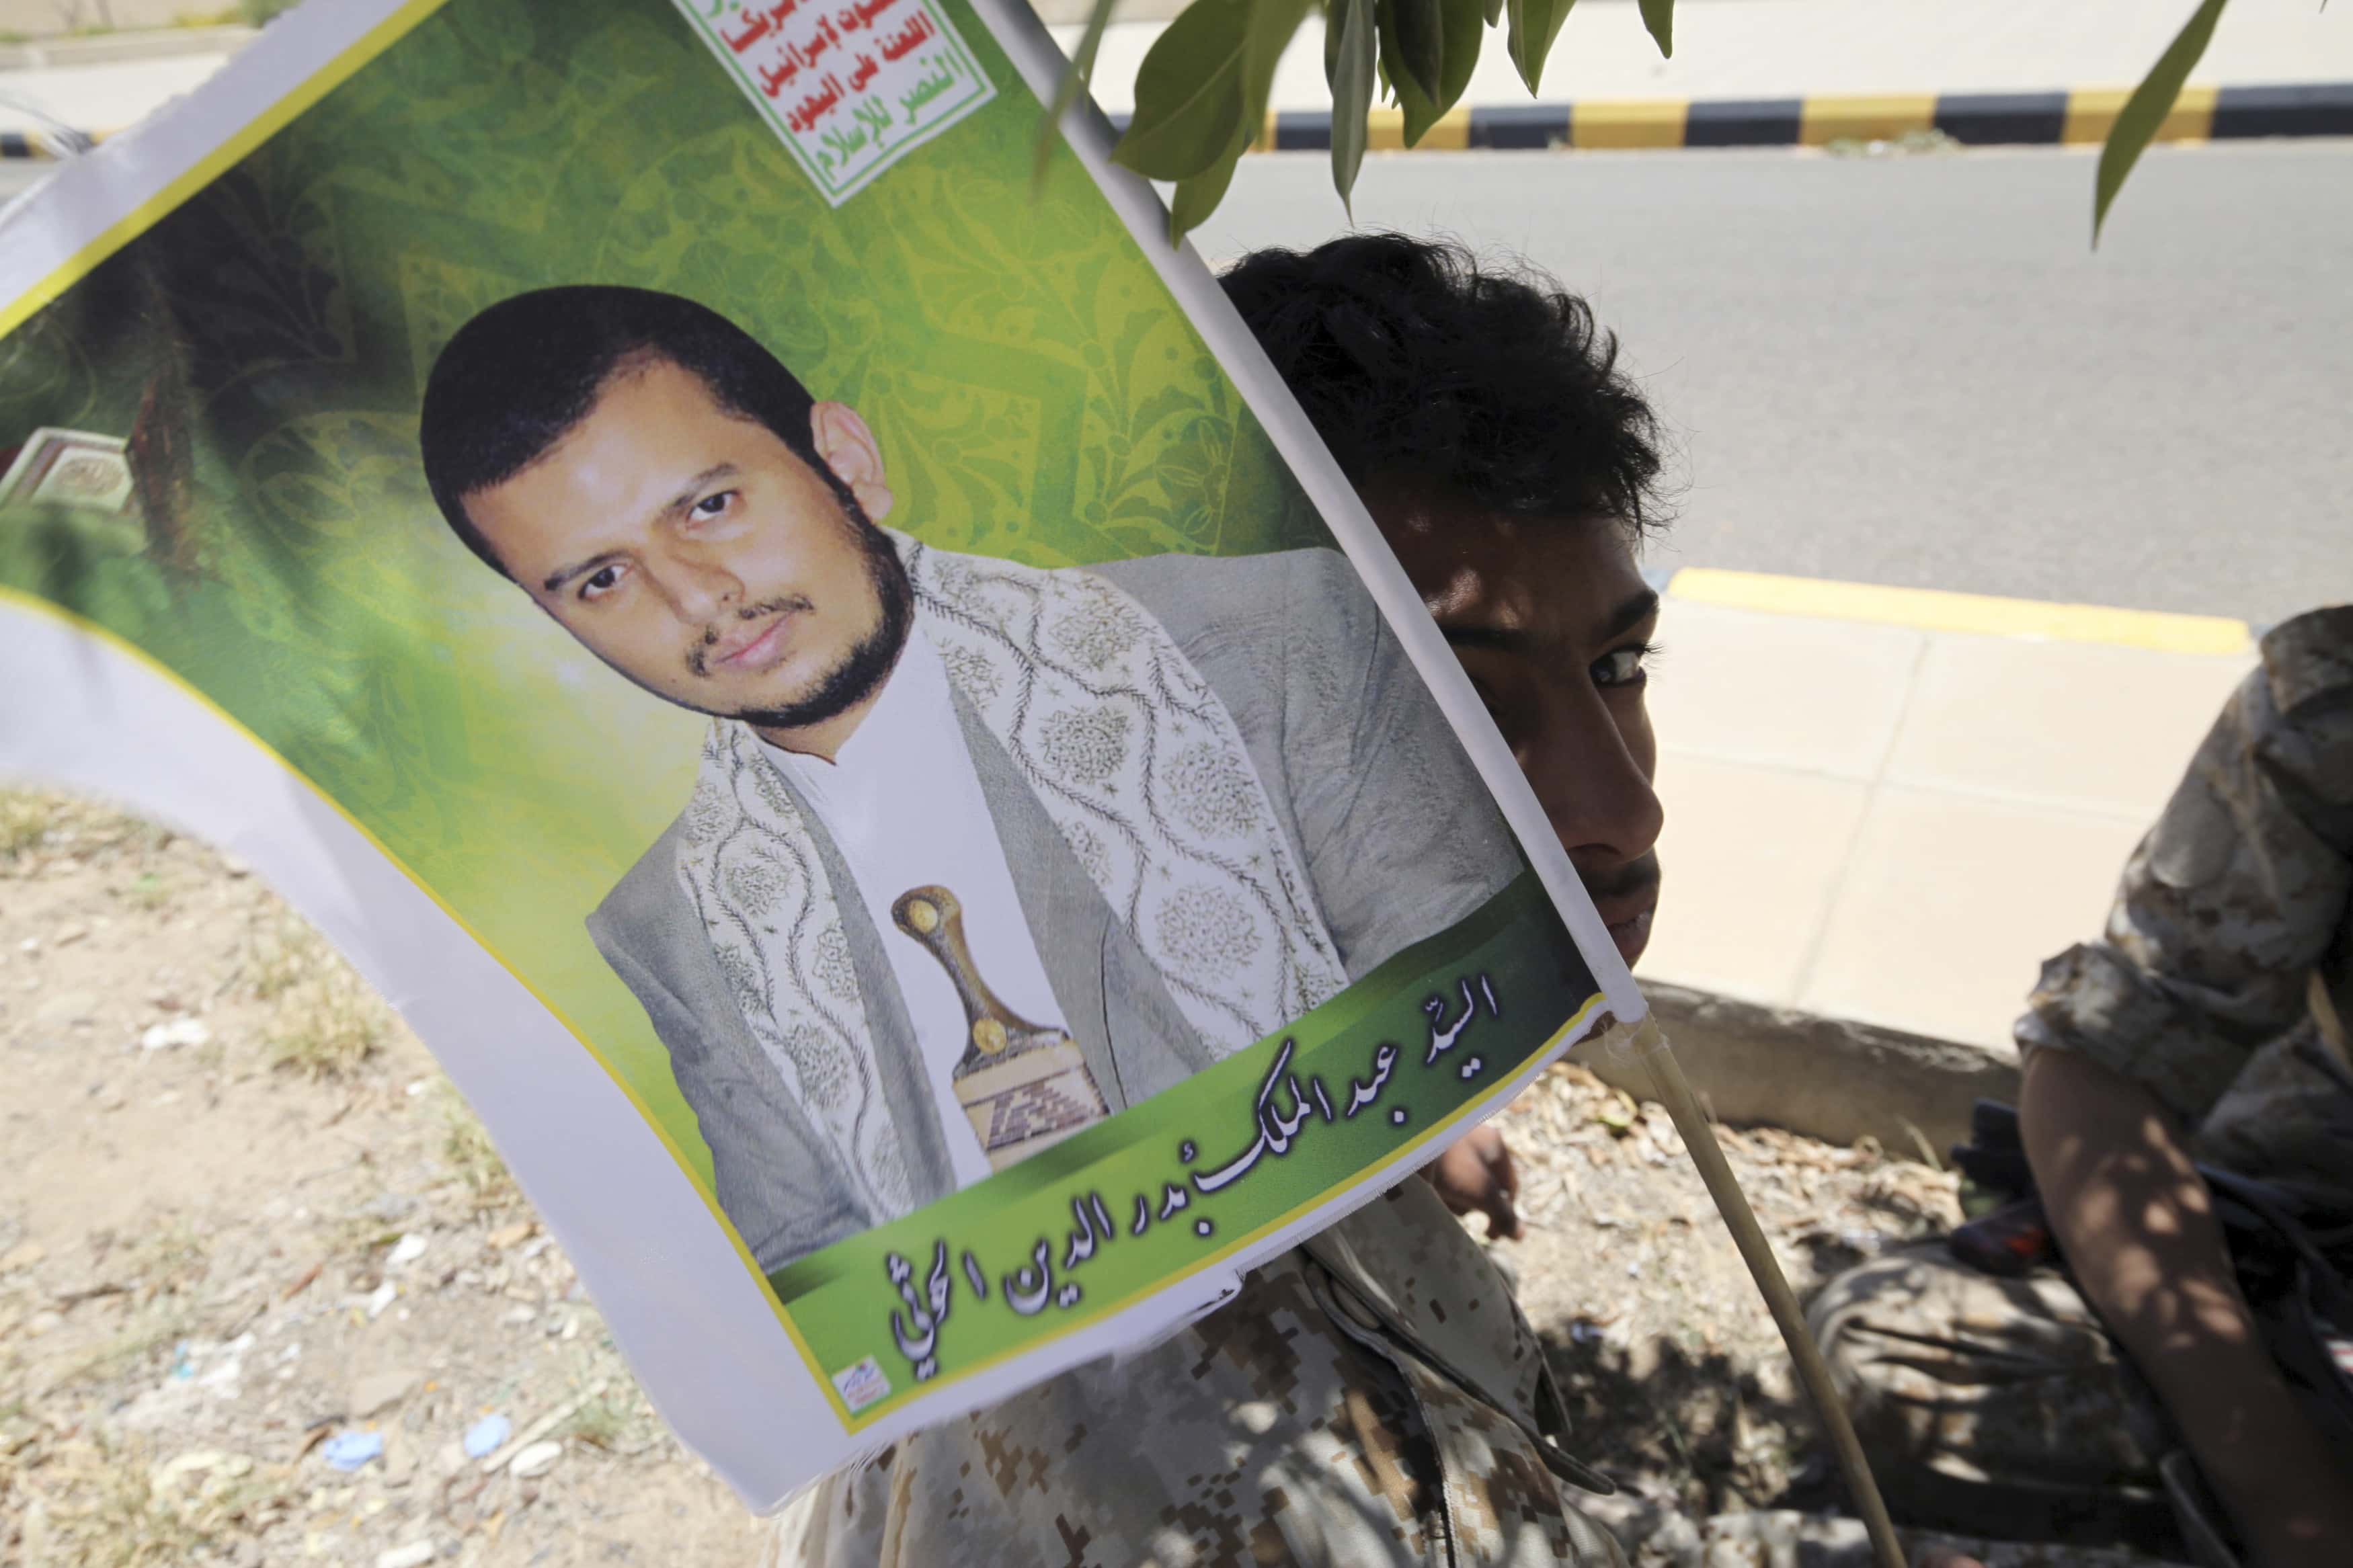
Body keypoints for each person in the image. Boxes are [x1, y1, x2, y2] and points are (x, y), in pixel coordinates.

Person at [730, 235, 1672, 1565]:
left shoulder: (1230, 1107)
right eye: (1452, 700)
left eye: (1620, 662)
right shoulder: (1274, 1483)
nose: (1623, 812)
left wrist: (1410, 1130)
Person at [418, 285, 1521, 1276]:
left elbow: (1472, 995)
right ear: (560, 622)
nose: (697, 598)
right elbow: (814, 1266)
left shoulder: (1265, 642)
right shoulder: (669, 923)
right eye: (604, 578)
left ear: (844, 458)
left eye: (710, 506)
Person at [1811, 607, 2353, 1568]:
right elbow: (2102, 1072)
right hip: (2320, 1268)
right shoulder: (2333, 709)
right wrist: (2292, 1504)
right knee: (1881, 1350)